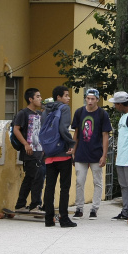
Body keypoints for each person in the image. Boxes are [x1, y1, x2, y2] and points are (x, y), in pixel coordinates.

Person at [70, 88, 112, 219]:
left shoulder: (102, 114)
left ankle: (94, 208)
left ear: (97, 100)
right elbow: (76, 133)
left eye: (92, 99)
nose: (89, 101)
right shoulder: (79, 112)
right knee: (79, 181)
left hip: (96, 152)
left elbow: (105, 135)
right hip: (81, 152)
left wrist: (104, 155)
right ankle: (79, 208)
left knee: (97, 182)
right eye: (88, 98)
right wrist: (73, 150)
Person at [41, 86, 77, 228]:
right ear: (59, 97)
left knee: (49, 187)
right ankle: (64, 218)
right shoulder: (64, 109)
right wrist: (71, 143)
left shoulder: (46, 109)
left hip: (49, 154)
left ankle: (49, 219)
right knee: (64, 187)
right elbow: (63, 129)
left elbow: (43, 129)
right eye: (66, 95)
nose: (68, 98)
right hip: (62, 153)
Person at [12, 87, 45, 212]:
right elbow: (16, 129)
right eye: (37, 96)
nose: (40, 98)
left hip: (40, 151)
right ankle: (35, 204)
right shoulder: (23, 113)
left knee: (32, 177)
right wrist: (26, 144)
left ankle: (20, 204)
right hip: (30, 152)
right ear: (30, 99)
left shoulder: (40, 114)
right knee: (37, 177)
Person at [111, 91, 128, 221]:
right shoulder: (123, 116)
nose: (115, 107)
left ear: (121, 104)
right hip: (121, 158)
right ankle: (126, 210)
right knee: (124, 186)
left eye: (116, 104)